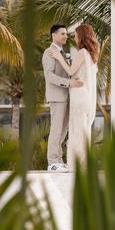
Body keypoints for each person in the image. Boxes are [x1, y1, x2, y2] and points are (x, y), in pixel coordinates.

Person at [48, 24, 98, 170]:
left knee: (76, 129)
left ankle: (77, 164)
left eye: (76, 35)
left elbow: (70, 71)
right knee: (82, 130)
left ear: (81, 36)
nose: (74, 38)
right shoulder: (92, 54)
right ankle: (83, 163)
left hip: (78, 95)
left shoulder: (82, 52)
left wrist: (58, 57)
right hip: (85, 96)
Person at [42, 24, 84, 172]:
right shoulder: (49, 52)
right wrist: (69, 83)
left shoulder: (63, 52)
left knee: (63, 130)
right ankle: (52, 162)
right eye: (62, 34)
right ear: (53, 35)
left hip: (66, 97)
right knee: (56, 129)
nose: (66, 36)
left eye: (66, 34)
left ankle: (59, 161)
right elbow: (49, 76)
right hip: (57, 97)